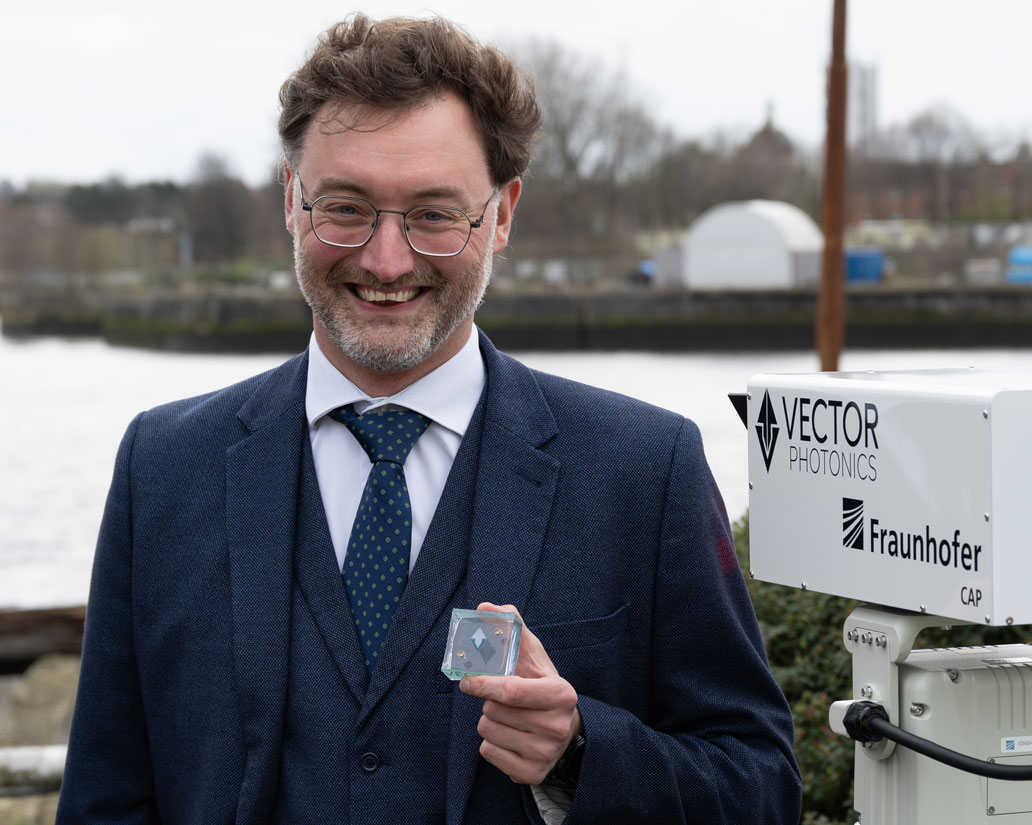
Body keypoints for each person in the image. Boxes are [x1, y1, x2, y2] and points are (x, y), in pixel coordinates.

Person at [57, 14, 802, 825]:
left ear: (503, 213)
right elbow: (105, 799)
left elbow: (760, 787)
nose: (387, 259)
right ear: (291, 200)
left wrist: (582, 751)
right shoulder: (163, 468)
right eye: (345, 207)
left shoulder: (644, 470)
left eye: (435, 214)